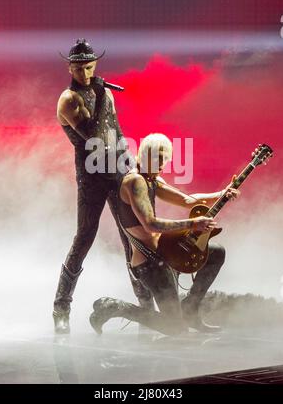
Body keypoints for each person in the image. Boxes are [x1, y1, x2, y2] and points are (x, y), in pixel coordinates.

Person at [90, 133, 240, 336]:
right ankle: (115, 307)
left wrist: (222, 194)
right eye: (157, 159)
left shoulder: (151, 179)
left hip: (167, 253)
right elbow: (150, 224)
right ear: (144, 155)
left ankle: (191, 309)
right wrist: (193, 224)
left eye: (164, 159)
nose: (161, 164)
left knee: (216, 252)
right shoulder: (135, 182)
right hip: (149, 263)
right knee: (175, 329)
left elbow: (188, 200)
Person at [53, 38, 150, 333]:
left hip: (117, 171)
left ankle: (146, 304)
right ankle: (61, 307)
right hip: (91, 176)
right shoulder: (69, 100)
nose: (85, 74)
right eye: (80, 69)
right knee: (84, 237)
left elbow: (115, 132)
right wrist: (96, 91)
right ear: (70, 67)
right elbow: (94, 137)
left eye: (90, 68)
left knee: (131, 237)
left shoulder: (106, 94)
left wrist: (130, 164)